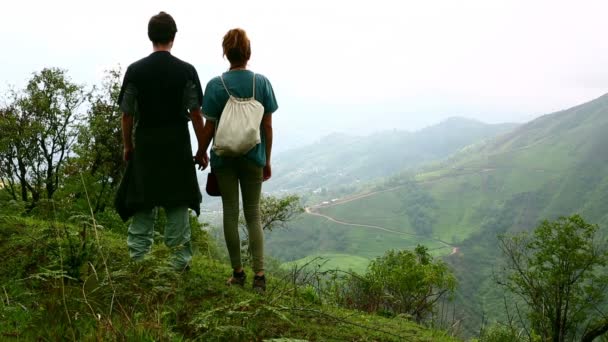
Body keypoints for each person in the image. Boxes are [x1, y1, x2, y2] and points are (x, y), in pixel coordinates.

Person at [116, 11, 208, 271]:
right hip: (177, 144)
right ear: (173, 37)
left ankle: (138, 260)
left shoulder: (135, 71)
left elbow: (127, 114)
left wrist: (128, 146)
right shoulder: (186, 71)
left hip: (146, 143)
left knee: (142, 198)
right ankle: (178, 263)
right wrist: (201, 150)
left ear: (150, 36)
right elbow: (196, 113)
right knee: (177, 199)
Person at [198, 28, 278, 292]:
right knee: (253, 214)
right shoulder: (262, 83)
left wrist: (201, 152)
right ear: (248, 52)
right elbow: (267, 127)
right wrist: (266, 160)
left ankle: (238, 273)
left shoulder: (215, 85)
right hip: (254, 156)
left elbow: (209, 128)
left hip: (224, 159)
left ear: (226, 53)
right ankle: (260, 276)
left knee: (230, 214)